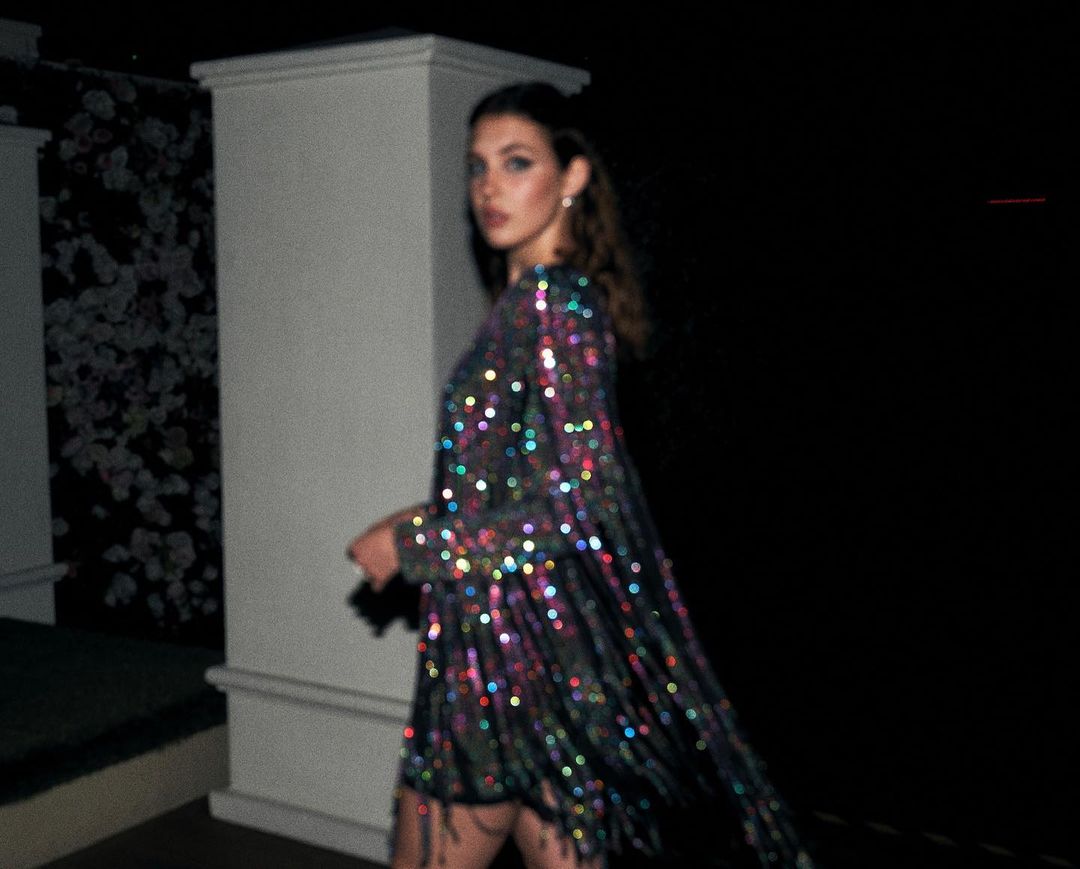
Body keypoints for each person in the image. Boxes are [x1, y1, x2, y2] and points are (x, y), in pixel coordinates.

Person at [348, 82, 814, 869]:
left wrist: (415, 543)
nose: (489, 187)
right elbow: (523, 486)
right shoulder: (530, 306)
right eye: (477, 167)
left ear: (572, 177)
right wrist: (423, 515)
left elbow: (579, 506)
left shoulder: (556, 311)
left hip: (504, 665)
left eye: (516, 163)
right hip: (536, 655)